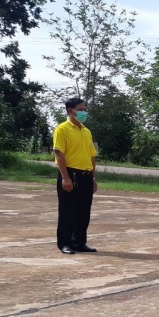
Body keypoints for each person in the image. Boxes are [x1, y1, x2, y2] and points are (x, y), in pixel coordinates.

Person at [53, 97, 98, 255]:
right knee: (67, 211)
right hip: (70, 173)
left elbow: (92, 156)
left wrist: (93, 178)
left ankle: (79, 242)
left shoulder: (86, 131)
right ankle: (65, 243)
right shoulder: (62, 129)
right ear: (70, 111)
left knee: (84, 211)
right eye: (80, 110)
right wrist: (65, 177)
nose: (83, 112)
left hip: (86, 175)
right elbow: (59, 153)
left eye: (84, 109)